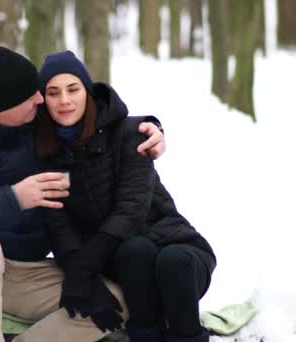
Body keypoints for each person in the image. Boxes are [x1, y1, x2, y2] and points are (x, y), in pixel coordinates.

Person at [0, 46, 166, 342]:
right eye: (30, 95)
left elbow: (98, 120)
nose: (41, 99)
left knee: (118, 301)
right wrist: (14, 198)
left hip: (20, 271)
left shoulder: (36, 121)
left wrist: (148, 130)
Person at [36, 50, 216, 342]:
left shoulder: (131, 133)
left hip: (177, 252)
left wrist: (84, 266)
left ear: (88, 92)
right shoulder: (46, 153)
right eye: (53, 93)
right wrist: (86, 280)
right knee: (134, 252)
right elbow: (59, 226)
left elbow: (131, 209)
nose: (64, 100)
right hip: (125, 263)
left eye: (73, 89)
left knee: (170, 260)